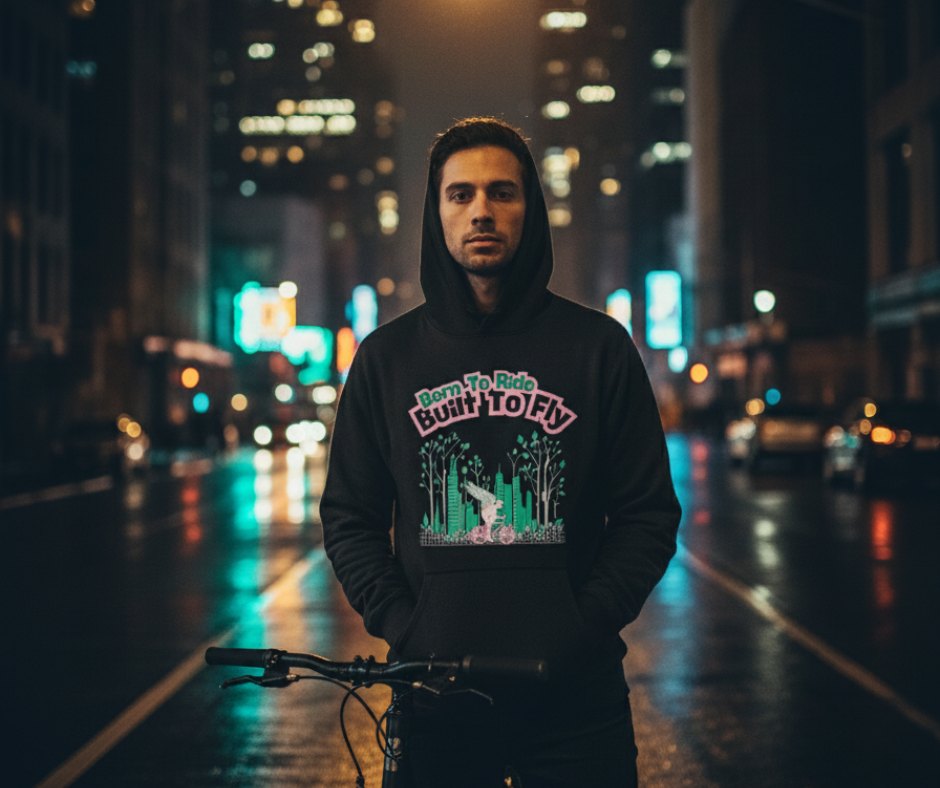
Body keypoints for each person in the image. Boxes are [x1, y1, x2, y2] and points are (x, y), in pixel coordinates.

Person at [321, 117, 681, 787]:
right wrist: (407, 627)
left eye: (501, 192)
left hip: (577, 704)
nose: (481, 210)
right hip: (433, 704)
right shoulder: (385, 360)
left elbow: (647, 515)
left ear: (530, 209)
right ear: (436, 213)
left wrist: (580, 627)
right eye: (460, 194)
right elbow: (349, 517)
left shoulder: (599, 349)